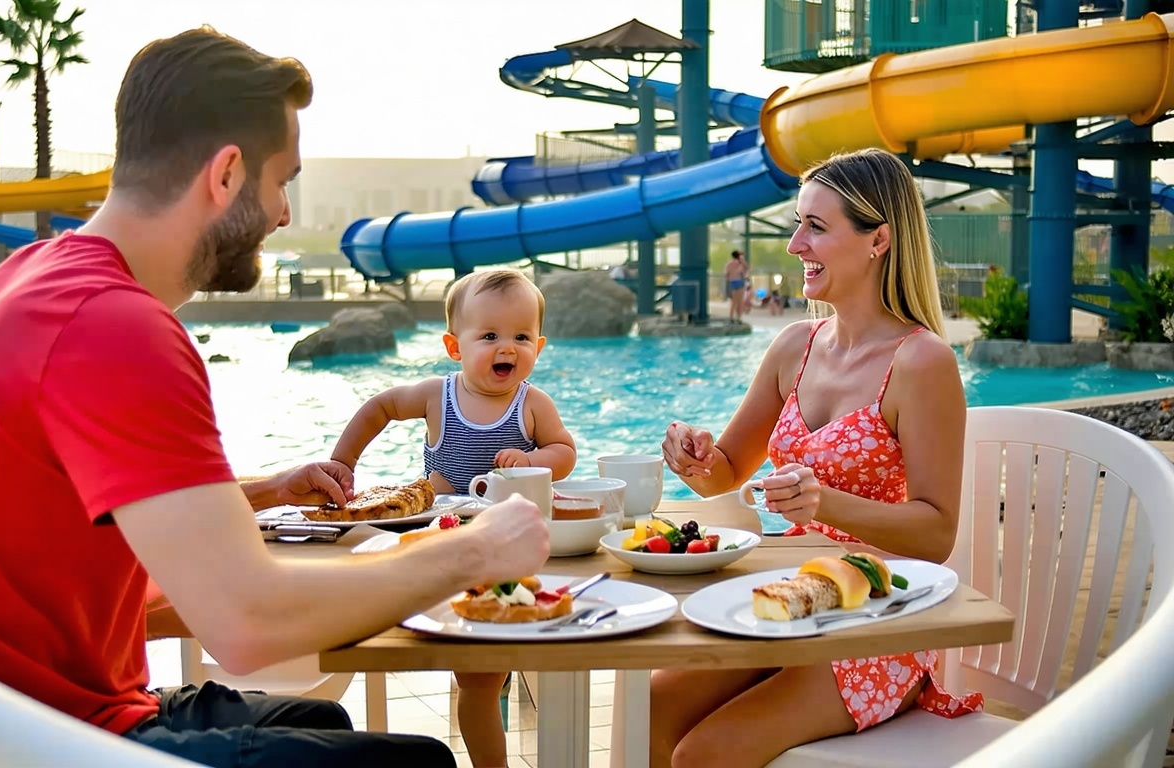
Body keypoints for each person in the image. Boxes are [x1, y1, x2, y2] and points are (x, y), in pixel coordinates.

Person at [0, 27, 550, 768]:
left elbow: (94, 518)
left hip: (16, 713)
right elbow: (246, 624)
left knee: (323, 721)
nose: (284, 213)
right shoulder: (112, 325)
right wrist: (473, 550)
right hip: (36, 745)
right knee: (416, 763)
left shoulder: (26, 280)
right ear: (227, 173)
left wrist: (267, 490)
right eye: (282, 182)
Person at [652, 148, 980, 768]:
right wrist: (693, 457)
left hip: (880, 617)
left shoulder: (921, 362)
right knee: (655, 703)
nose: (795, 243)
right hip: (794, 599)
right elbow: (724, 472)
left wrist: (824, 503)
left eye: (816, 227)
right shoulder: (794, 347)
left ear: (878, 239)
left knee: (704, 754)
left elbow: (937, 534)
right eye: (797, 223)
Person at [330, 267, 577, 768]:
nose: (507, 347)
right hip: (447, 550)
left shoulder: (532, 403)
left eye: (521, 337)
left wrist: (533, 459)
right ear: (454, 346)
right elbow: (379, 407)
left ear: (539, 346)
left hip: (510, 552)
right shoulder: (436, 397)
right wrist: (342, 462)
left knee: (483, 677)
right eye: (489, 336)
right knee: (475, 674)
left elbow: (565, 451)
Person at [725, 250, 749, 322]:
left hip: (732, 282)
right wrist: (742, 260)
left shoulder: (729, 264)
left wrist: (729, 279)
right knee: (740, 300)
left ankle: (731, 316)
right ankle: (739, 317)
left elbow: (727, 274)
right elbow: (747, 268)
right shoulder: (740, 263)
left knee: (734, 300)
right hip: (739, 281)